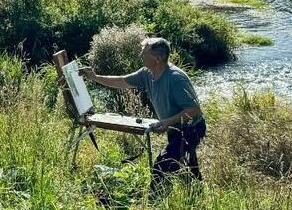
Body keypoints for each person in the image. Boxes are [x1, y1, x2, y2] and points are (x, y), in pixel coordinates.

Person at [80, 37, 205, 185]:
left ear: (158, 59)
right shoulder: (146, 73)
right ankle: (196, 193)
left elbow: (194, 109)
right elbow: (121, 81)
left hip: (191, 128)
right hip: (175, 128)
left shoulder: (175, 78)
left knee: (161, 167)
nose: (140, 56)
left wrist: (166, 122)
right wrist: (94, 77)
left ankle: (155, 199)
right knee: (186, 167)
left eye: (144, 53)